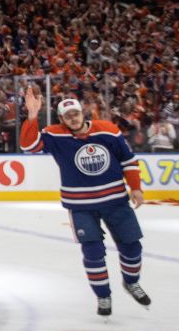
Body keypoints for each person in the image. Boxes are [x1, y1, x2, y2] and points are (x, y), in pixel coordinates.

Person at [21, 89, 150, 318]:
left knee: (132, 246)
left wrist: (136, 187)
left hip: (116, 201)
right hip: (80, 205)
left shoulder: (108, 130)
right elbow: (28, 147)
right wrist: (32, 116)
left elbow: (128, 160)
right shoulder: (55, 135)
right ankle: (103, 295)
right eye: (67, 115)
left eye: (76, 113)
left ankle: (131, 282)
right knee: (93, 252)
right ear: (61, 119)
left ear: (83, 113)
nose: (73, 117)